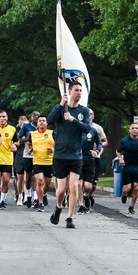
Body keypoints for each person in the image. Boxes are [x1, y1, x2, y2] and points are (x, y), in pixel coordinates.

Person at [47, 82, 90, 229]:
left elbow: (87, 128)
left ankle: (70, 217)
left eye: (80, 90)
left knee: (73, 186)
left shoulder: (83, 111)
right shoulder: (60, 109)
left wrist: (74, 120)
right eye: (76, 90)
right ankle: (58, 207)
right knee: (61, 189)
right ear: (69, 92)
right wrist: (60, 104)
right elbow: (49, 121)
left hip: (76, 155)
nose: (79, 93)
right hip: (60, 154)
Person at [116, 122, 138, 214]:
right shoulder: (124, 141)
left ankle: (132, 206)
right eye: (133, 128)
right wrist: (120, 159)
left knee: (136, 187)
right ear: (130, 130)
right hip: (127, 167)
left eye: (136, 128)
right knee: (127, 188)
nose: (135, 130)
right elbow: (118, 151)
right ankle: (124, 195)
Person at [0, 111, 18, 209]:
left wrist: (15, 146)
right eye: (0, 117)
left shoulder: (12, 129)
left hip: (8, 158)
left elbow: (16, 142)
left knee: (6, 180)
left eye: (4, 116)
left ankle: (2, 200)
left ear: (7, 117)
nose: (2, 118)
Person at [27, 115, 54, 213]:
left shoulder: (52, 133)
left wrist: (53, 150)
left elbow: (59, 144)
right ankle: (40, 203)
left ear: (46, 123)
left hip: (49, 162)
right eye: (40, 121)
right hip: (37, 161)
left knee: (46, 185)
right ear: (37, 123)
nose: (41, 122)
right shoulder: (32, 134)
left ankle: (44, 194)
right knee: (39, 181)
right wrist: (29, 150)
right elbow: (28, 143)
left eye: (43, 120)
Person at [15, 111, 39, 207]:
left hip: (39, 154)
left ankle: (36, 198)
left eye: (38, 115)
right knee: (27, 177)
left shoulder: (42, 126)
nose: (36, 117)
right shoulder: (27, 126)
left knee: (37, 176)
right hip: (27, 153)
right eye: (34, 115)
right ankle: (27, 196)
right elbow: (19, 138)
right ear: (31, 117)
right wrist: (29, 139)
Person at [78, 122, 103, 214]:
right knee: (79, 184)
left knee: (88, 186)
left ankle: (86, 196)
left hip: (89, 160)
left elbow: (100, 143)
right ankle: (81, 205)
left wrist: (96, 151)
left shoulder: (93, 131)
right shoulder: (76, 130)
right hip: (78, 160)